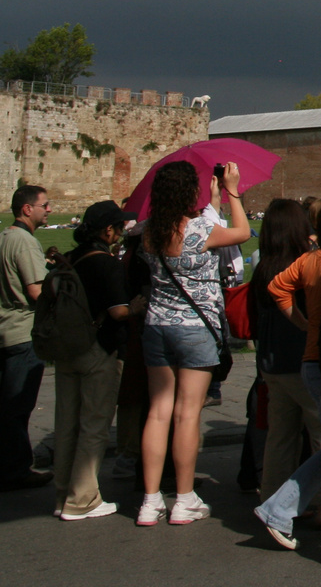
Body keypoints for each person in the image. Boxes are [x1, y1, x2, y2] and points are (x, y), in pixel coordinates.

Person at [136, 161, 251, 525]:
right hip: (195, 328)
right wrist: (231, 191)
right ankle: (184, 498)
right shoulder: (200, 231)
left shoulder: (148, 232)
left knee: (158, 412)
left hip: (157, 324)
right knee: (188, 413)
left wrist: (212, 202)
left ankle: (150, 499)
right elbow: (243, 231)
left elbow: (202, 221)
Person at [254, 194, 321, 549]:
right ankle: (302, 507)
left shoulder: (308, 259)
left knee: (283, 436)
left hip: (295, 361)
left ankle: (274, 500)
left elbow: (276, 288)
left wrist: (301, 322)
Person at [247, 199, 321, 526]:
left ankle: (273, 499)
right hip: (300, 358)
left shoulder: (263, 265)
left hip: (271, 361)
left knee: (281, 436)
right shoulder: (300, 265)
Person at [50, 201, 133, 518]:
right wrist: (136, 306)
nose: (122, 232)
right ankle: (83, 498)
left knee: (66, 422)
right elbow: (118, 310)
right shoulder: (106, 263)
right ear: (108, 230)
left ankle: (63, 493)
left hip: (68, 347)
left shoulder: (70, 259)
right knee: (95, 424)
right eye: (119, 227)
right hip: (99, 348)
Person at [2, 184, 52, 491]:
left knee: (8, 405)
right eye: (44, 205)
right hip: (22, 330)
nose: (48, 209)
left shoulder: (5, 237)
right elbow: (36, 291)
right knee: (17, 407)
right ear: (27, 209)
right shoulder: (23, 242)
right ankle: (16, 468)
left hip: (6, 327)